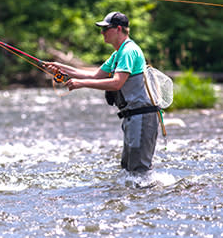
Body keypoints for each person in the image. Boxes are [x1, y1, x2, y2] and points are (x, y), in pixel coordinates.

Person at [43, 11, 159, 173]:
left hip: (141, 117)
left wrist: (81, 84)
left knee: (139, 171)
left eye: (105, 29)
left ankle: (149, 196)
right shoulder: (118, 54)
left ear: (118, 29)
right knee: (128, 170)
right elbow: (95, 75)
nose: (102, 33)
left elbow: (117, 83)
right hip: (132, 117)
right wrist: (60, 67)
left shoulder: (129, 51)